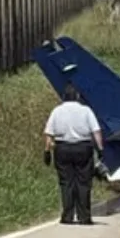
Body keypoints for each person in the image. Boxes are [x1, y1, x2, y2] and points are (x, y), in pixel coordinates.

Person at [43, 85, 104, 225]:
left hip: (62, 148)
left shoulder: (57, 111)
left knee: (66, 182)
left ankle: (67, 216)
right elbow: (96, 131)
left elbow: (48, 133)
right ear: (78, 97)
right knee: (83, 182)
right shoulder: (86, 111)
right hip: (83, 147)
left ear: (64, 97)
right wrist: (100, 149)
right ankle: (84, 216)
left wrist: (47, 151)